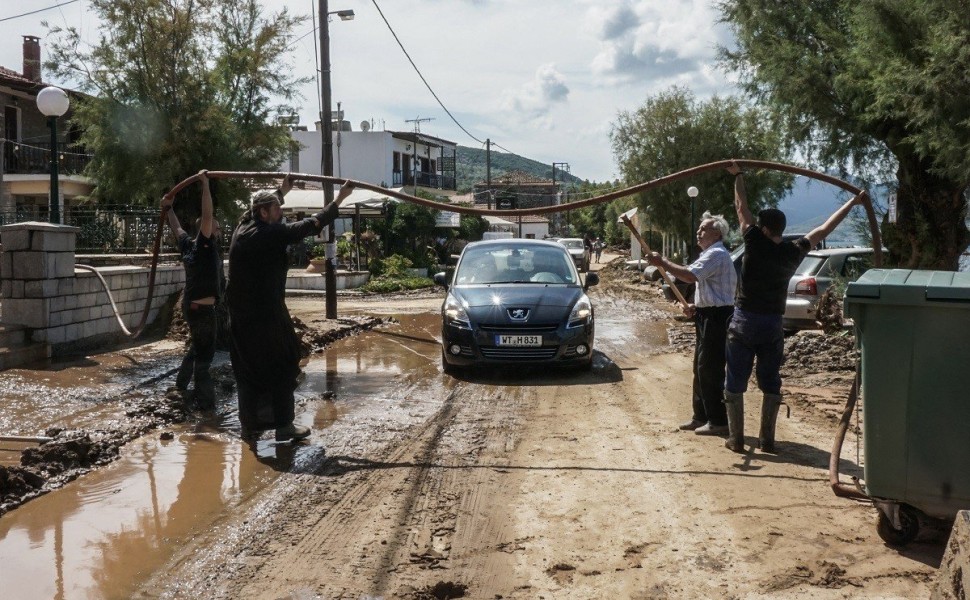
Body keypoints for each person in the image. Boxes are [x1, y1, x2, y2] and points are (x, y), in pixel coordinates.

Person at [724, 162, 866, 453]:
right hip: (773, 324)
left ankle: (736, 439)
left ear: (763, 229)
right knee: (770, 380)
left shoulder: (753, 242)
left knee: (735, 378)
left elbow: (741, 208)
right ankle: (767, 440)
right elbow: (826, 228)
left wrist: (738, 176)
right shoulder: (794, 251)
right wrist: (852, 202)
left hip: (745, 320)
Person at [227, 178, 355, 442]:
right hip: (265, 317)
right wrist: (340, 198)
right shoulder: (268, 234)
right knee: (284, 364)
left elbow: (258, 206)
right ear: (264, 213)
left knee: (248, 372)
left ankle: (250, 428)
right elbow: (311, 225)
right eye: (276, 208)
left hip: (241, 318)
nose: (281, 213)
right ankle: (284, 425)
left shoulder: (243, 226)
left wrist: (282, 190)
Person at [647, 212, 737, 436]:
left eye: (704, 229)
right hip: (707, 314)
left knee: (710, 369)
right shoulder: (709, 254)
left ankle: (718, 420)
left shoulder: (716, 253)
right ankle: (702, 416)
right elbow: (707, 288)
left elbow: (689, 276)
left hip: (718, 318)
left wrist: (663, 262)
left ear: (717, 233)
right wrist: (694, 306)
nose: (698, 232)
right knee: (700, 367)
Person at [162, 171, 221, 410]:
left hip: (192, 306)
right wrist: (205, 185)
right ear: (206, 231)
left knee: (196, 347)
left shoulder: (188, 244)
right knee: (205, 357)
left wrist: (168, 209)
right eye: (216, 228)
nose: (218, 231)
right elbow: (207, 215)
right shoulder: (205, 246)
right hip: (203, 310)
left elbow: (176, 228)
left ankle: (181, 385)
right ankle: (207, 405)